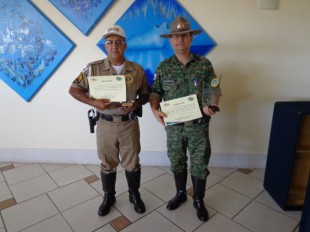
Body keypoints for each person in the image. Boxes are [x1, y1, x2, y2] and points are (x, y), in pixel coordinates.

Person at [69, 25, 149, 216]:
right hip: (105, 124)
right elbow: (74, 89)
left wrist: (137, 104)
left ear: (125, 45)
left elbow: (146, 95)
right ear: (105, 45)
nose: (114, 46)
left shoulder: (137, 70)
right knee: (107, 162)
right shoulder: (93, 68)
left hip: (129, 124)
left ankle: (134, 194)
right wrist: (93, 102)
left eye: (118, 42)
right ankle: (109, 195)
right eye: (110, 42)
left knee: (132, 162)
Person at [149, 16, 221, 222]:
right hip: (174, 127)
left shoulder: (205, 65)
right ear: (170, 40)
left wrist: (211, 106)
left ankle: (199, 200)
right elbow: (155, 94)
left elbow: (215, 90)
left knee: (199, 164)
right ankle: (181, 194)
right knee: (177, 161)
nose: (180, 39)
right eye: (176, 36)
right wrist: (155, 111)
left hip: (199, 126)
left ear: (191, 38)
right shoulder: (163, 67)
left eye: (184, 35)